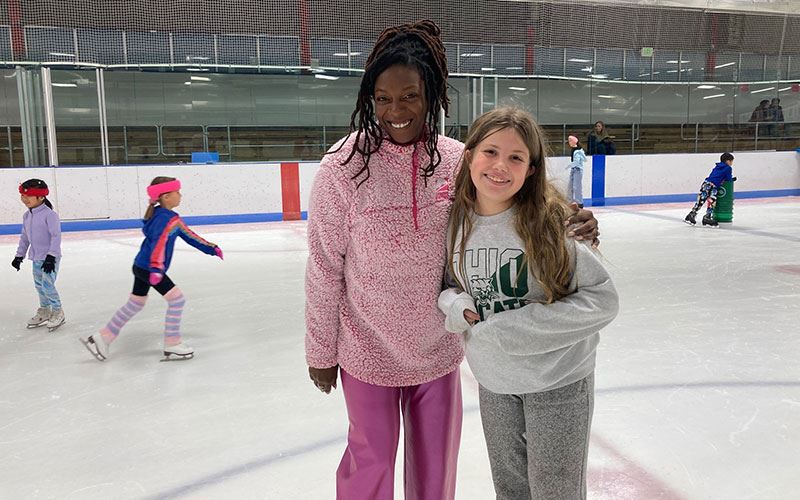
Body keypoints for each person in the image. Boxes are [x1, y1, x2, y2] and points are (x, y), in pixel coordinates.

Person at [304, 21, 599, 500]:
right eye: (382, 98)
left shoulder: (456, 160)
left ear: (433, 95)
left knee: (435, 468)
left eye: (409, 96)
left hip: (439, 347)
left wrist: (568, 218)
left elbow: (512, 199)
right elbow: (323, 266)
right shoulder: (344, 167)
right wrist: (320, 352)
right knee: (371, 460)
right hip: (366, 345)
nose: (395, 111)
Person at [437, 107, 619, 499]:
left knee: (556, 491)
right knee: (511, 489)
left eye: (516, 157)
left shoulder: (552, 224)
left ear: (531, 169)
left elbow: (602, 299)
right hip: (495, 381)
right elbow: (449, 284)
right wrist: (458, 307)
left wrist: (513, 329)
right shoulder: (456, 224)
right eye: (490, 152)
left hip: (558, 381)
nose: (500, 166)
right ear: (468, 155)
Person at [80, 176, 223, 361]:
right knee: (177, 300)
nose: (180, 195)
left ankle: (103, 337)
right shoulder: (167, 219)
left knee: (135, 303)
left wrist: (211, 248)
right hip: (150, 268)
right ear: (165, 196)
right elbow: (159, 243)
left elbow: (189, 235)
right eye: (177, 192)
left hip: (141, 265)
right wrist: (156, 269)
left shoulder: (160, 215)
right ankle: (172, 343)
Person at [12, 179, 65, 332]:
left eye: (28, 196)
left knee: (48, 285)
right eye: (22, 195)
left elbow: (56, 237)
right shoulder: (27, 216)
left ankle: (58, 311)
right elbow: (25, 237)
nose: (24, 199)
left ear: (41, 197)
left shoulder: (50, 215)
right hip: (36, 258)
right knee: (39, 286)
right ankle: (45, 310)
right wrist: (19, 256)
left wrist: (51, 256)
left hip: (50, 258)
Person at [684, 152, 736, 227]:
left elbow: (717, 175)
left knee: (701, 200)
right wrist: (732, 179)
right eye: (731, 161)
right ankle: (707, 216)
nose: (732, 163)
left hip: (706, 183)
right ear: (728, 161)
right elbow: (728, 179)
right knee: (712, 201)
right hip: (714, 186)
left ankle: (692, 214)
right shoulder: (728, 168)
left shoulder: (717, 166)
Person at [566, 135, 587, 208]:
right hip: (574, 170)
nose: (569, 143)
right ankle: (569, 202)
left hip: (577, 170)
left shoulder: (578, 151)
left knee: (576, 187)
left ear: (574, 141)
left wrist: (570, 165)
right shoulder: (574, 150)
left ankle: (579, 203)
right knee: (570, 186)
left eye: (570, 141)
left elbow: (577, 162)